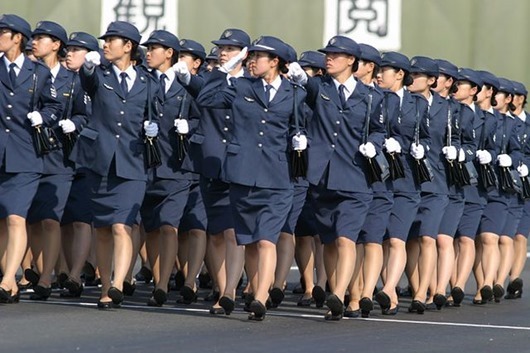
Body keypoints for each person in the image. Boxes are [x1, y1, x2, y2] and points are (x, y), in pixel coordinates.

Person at [198, 35, 306, 321]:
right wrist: (223, 71)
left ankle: (260, 296)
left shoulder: (295, 92)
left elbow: (309, 121)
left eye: (258, 57)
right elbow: (206, 98)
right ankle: (241, 290)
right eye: (250, 56)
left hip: (278, 175)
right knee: (244, 238)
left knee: (266, 239)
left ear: (276, 62)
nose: (252, 61)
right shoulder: (241, 86)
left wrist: (301, 138)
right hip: (243, 174)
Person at [289, 36, 385, 320]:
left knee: (346, 239)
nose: (328, 58)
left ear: (351, 61)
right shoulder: (319, 87)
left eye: (335, 55)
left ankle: (338, 294)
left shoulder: (371, 96)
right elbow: (302, 93)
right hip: (321, 176)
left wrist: (375, 145)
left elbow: (379, 129)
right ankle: (348, 297)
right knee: (329, 240)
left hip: (355, 177)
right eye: (327, 54)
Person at [71, 21, 160, 309]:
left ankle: (119, 282)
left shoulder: (148, 81)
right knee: (104, 228)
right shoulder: (99, 74)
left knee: (123, 225)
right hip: (100, 161)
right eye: (105, 40)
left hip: (132, 163)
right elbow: (86, 80)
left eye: (112, 40)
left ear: (129, 46)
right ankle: (105, 285)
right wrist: (87, 66)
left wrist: (152, 128)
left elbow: (155, 111)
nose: (106, 45)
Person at [182, 28, 251, 315]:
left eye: (231, 49)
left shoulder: (252, 83)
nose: (223, 52)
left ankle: (230, 291)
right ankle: (222, 288)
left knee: (235, 233)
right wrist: (221, 71)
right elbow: (205, 97)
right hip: (211, 162)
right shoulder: (213, 79)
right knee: (215, 233)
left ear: (245, 54)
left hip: (240, 166)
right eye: (222, 48)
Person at [0, 14, 62, 303]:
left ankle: (6, 278)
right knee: (2, 221)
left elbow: (53, 107)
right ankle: (10, 280)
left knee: (15, 217)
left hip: (25, 155)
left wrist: (43, 117)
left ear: (17, 38)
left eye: (4, 32)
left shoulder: (39, 73)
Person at [25, 20, 83, 300]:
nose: (35, 42)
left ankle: (47, 277)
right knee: (33, 220)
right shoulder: (28, 74)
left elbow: (84, 114)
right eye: (33, 37)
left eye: (42, 38)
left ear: (56, 44)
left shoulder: (72, 79)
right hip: (27, 153)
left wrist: (74, 124)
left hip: (59, 156)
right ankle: (39, 268)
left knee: (51, 220)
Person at [373, 52, 430, 315]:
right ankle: (390, 292)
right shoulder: (374, 98)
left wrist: (418, 148)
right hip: (379, 177)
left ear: (399, 74)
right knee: (381, 239)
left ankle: (389, 289)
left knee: (397, 239)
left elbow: (427, 137)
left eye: (386, 70)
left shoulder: (417, 104)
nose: (379, 74)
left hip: (407, 178)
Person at [406, 56, 458, 310]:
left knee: (428, 237)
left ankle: (426, 293)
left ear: (431, 80)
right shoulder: (404, 103)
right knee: (409, 240)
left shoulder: (448, 108)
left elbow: (459, 138)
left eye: (416, 76)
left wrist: (457, 151)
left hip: (437, 181)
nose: (411, 80)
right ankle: (418, 288)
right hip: (408, 179)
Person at [507, 80, 530, 299]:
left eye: (514, 95)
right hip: (506, 182)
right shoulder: (502, 121)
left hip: (525, 185)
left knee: (520, 235)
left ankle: (514, 278)